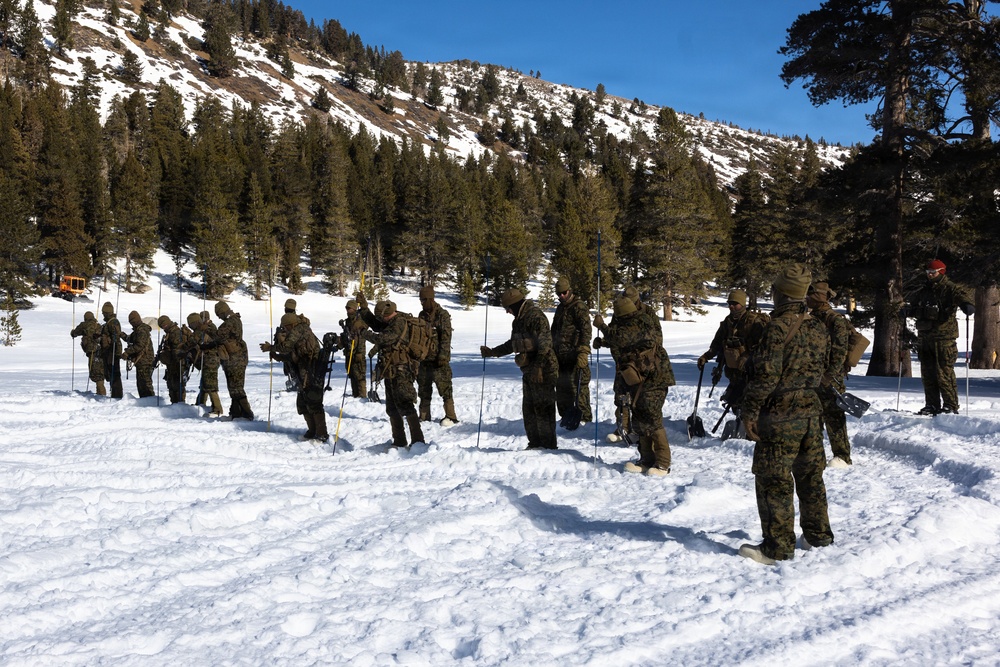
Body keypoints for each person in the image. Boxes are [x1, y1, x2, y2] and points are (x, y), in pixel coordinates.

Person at [739, 263, 835, 565]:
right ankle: (818, 536)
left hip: (780, 415)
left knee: (774, 480)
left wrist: (750, 410)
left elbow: (767, 376)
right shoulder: (817, 326)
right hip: (810, 413)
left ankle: (777, 547)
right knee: (810, 476)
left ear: (779, 293)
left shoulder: (777, 327)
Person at [602, 296, 675, 475]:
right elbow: (624, 342)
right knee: (640, 419)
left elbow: (623, 338)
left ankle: (663, 464)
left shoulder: (641, 322)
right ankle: (646, 460)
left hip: (654, 379)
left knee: (652, 417)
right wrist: (604, 342)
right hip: (639, 378)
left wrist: (602, 328)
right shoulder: (631, 324)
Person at [480, 288, 559, 450]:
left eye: (508, 308)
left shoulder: (536, 316)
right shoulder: (518, 320)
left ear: (515, 304)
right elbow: (513, 343)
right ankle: (535, 444)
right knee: (529, 410)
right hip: (529, 371)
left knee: (543, 410)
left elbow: (545, 345)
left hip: (544, 369)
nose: (508, 312)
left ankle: (549, 447)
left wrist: (538, 368)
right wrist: (493, 352)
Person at [906, 259, 975, 415]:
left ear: (941, 272)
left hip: (944, 338)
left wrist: (966, 305)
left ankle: (950, 405)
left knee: (944, 372)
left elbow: (963, 298)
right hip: (925, 337)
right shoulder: (924, 290)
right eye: (928, 273)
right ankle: (932, 405)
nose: (930, 276)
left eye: (933, 273)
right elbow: (914, 306)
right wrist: (907, 311)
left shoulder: (950, 289)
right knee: (928, 373)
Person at [356, 294, 425, 447]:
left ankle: (418, 441)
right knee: (392, 408)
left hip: (402, 370)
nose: (381, 320)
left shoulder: (399, 323)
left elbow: (382, 338)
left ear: (387, 315)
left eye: (382, 317)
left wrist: (362, 333)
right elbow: (376, 325)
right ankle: (399, 440)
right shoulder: (391, 321)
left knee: (405, 404)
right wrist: (364, 309)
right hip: (390, 369)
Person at [696, 289, 769, 427]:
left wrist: (747, 357)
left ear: (742, 304)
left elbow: (763, 346)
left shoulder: (754, 322)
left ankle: (751, 429)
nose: (731, 306)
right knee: (734, 400)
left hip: (751, 373)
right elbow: (717, 344)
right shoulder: (727, 323)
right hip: (734, 372)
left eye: (735, 304)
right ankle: (741, 425)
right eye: (729, 303)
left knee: (751, 402)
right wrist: (706, 357)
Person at [261, 313, 329, 442]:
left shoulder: (299, 329)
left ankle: (321, 434)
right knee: (303, 403)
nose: (285, 330)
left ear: (290, 325)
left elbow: (286, 347)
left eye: (285, 327)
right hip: (304, 371)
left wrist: (270, 347)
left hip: (311, 371)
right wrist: (277, 356)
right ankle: (313, 430)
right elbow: (293, 355)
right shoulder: (300, 330)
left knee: (313, 402)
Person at [806, 282, 852, 467]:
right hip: (810, 376)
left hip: (829, 378)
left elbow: (840, 351)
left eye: (811, 294)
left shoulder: (835, 319)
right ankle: (815, 454)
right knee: (812, 417)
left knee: (834, 417)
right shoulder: (809, 318)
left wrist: (829, 375)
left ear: (820, 296)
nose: (807, 297)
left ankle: (842, 456)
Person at [550, 276, 592, 429]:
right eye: (559, 294)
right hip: (560, 356)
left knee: (578, 389)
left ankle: (585, 421)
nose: (561, 296)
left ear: (569, 291)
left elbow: (586, 331)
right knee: (561, 389)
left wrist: (583, 352)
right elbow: (554, 330)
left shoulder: (579, 306)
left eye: (563, 293)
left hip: (575, 356)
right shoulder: (561, 307)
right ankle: (566, 419)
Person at [417, 286, 459, 426]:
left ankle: (451, 416)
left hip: (439, 361)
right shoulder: (421, 315)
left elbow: (446, 338)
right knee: (423, 389)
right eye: (420, 300)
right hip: (424, 360)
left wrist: (443, 356)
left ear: (430, 299)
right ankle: (424, 416)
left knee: (445, 388)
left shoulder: (442, 315)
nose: (422, 303)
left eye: (423, 300)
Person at [208, 301, 254, 420]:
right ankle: (236, 412)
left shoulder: (229, 322)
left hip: (235, 359)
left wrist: (207, 329)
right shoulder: (236, 320)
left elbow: (218, 335)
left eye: (219, 314)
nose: (219, 317)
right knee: (234, 387)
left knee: (236, 387)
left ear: (223, 311)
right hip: (237, 358)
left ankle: (247, 413)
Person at [193, 310, 224, 417]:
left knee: (210, 384)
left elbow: (213, 341)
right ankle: (200, 404)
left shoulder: (211, 328)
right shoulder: (203, 328)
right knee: (205, 383)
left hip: (211, 359)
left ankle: (217, 408)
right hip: (206, 359)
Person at [276, 299, 308, 392]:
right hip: (288, 349)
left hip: (297, 350)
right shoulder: (287, 321)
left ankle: (299, 383)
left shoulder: (299, 320)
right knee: (290, 367)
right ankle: (295, 382)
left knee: (298, 368)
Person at [121, 310, 155, 398]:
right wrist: (122, 335)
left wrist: (127, 352)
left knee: (146, 385)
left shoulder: (142, 330)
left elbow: (139, 345)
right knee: (141, 385)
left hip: (145, 362)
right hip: (141, 362)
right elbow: (130, 339)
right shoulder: (138, 330)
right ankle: (145, 403)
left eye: (132, 322)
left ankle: (151, 404)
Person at [71, 311, 105, 396]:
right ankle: (100, 393)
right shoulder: (98, 326)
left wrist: (72, 333)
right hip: (100, 352)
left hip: (92, 352)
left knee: (95, 373)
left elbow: (75, 333)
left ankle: (101, 395)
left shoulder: (84, 325)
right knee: (100, 372)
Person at [156, 315, 187, 404]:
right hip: (172, 365)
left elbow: (177, 352)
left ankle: (180, 405)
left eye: (164, 326)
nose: (163, 328)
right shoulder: (170, 333)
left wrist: (164, 356)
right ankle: (174, 404)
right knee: (171, 385)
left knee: (178, 386)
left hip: (178, 364)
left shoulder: (175, 332)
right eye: (162, 327)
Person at [341, 300, 368, 399]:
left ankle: (362, 397)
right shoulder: (348, 321)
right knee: (351, 374)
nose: (348, 310)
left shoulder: (359, 321)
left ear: (354, 309)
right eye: (347, 308)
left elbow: (362, 337)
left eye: (349, 308)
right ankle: (355, 395)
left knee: (360, 375)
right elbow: (346, 337)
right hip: (349, 351)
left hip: (358, 352)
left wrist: (360, 352)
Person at [99, 301, 124, 399]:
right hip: (109, 351)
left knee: (115, 373)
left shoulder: (113, 322)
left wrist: (113, 351)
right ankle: (114, 393)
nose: (102, 314)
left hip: (112, 352)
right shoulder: (109, 322)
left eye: (103, 313)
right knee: (111, 373)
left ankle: (117, 395)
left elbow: (115, 338)